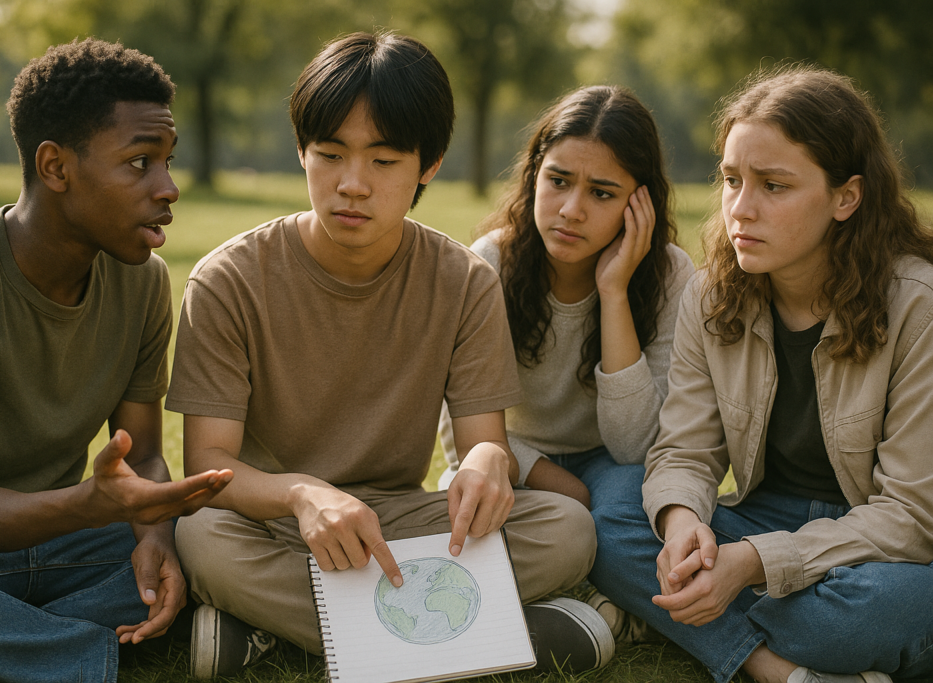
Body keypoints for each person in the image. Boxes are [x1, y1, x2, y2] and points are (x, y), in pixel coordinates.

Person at [166, 31, 609, 679]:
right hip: (280, 525)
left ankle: (275, 636)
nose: (352, 184)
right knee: (200, 536)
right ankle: (474, 633)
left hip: (402, 517)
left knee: (567, 527)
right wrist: (301, 493)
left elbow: (484, 442)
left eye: (383, 160)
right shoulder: (228, 279)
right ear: (302, 151)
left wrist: (487, 466)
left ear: (427, 165)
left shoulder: (464, 279)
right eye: (330, 153)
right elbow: (209, 464)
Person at [589, 65, 933, 683]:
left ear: (846, 197)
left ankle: (676, 615)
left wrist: (751, 564)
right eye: (730, 180)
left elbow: (911, 515)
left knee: (861, 612)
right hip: (758, 518)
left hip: (881, 550)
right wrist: (684, 524)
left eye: (774, 185)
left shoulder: (919, 306)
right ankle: (780, 671)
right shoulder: (712, 294)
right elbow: (685, 450)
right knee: (613, 511)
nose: (740, 209)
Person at [0, 39, 232, 683]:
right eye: (139, 162)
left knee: (206, 545)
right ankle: (86, 655)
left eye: (168, 162)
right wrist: (87, 504)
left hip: (74, 547)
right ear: (55, 167)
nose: (168, 188)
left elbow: (141, 458)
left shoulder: (144, 282)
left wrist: (154, 538)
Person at [438, 85, 694, 513]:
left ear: (639, 201)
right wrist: (557, 483)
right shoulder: (490, 264)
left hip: (610, 466)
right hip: (508, 458)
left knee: (627, 512)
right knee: (470, 501)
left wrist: (614, 293)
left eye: (601, 193)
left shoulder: (670, 274)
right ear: (534, 175)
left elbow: (636, 446)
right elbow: (458, 436)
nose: (571, 210)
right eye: (558, 181)